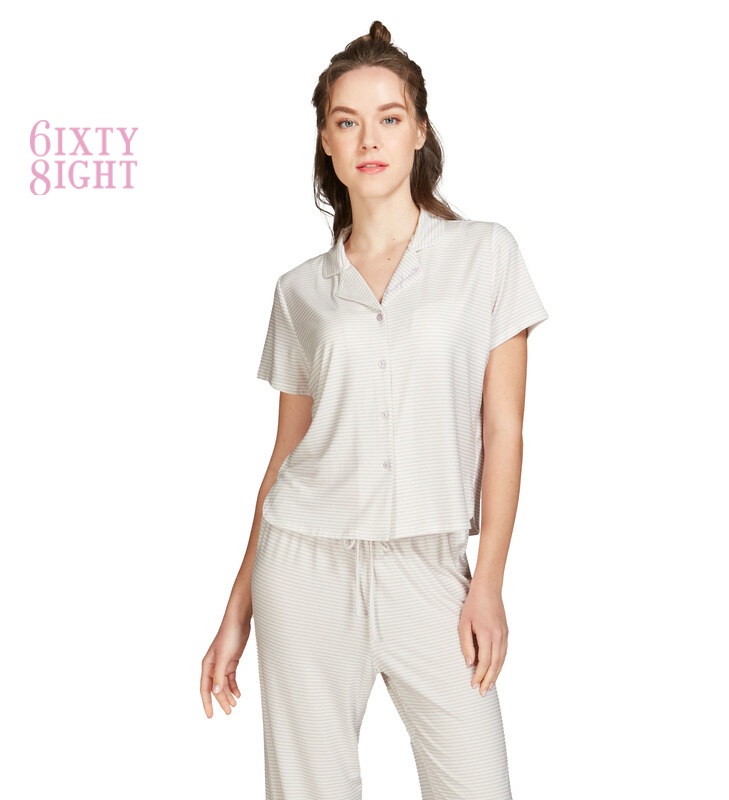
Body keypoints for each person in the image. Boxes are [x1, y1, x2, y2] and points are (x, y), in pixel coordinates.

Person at [200, 20, 549, 800]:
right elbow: (285, 457)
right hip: (303, 565)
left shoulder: (486, 255)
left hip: (429, 567)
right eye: (346, 121)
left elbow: (505, 430)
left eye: (389, 117)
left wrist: (489, 581)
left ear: (419, 131)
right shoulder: (300, 291)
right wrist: (237, 612)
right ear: (326, 142)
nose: (369, 139)